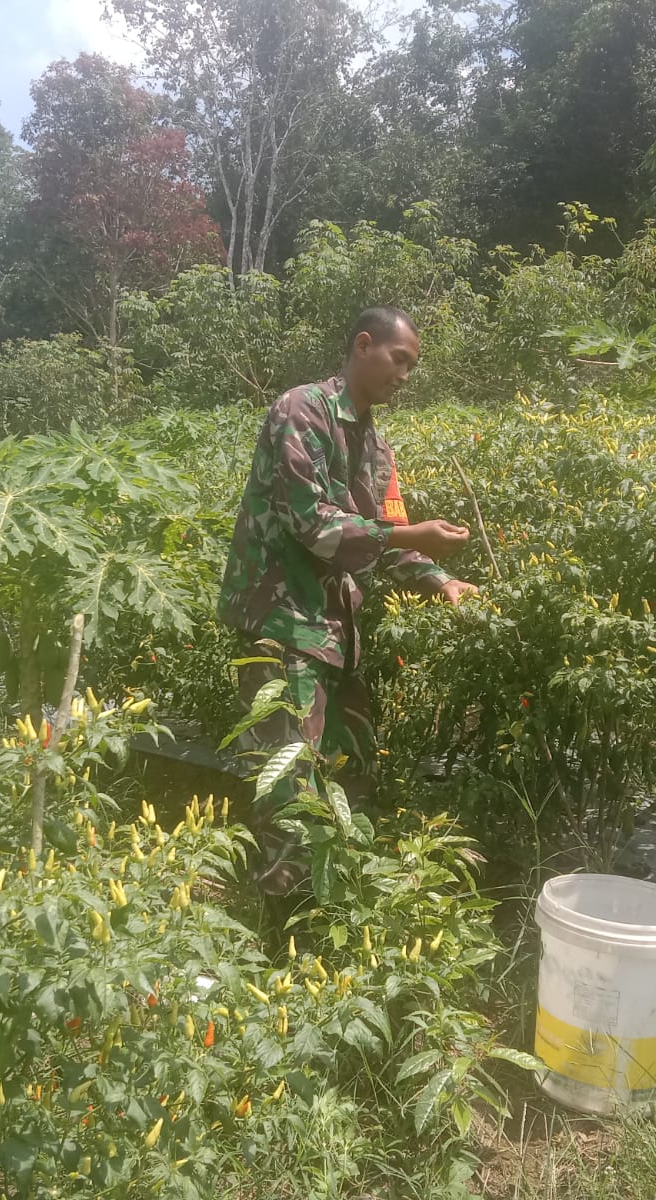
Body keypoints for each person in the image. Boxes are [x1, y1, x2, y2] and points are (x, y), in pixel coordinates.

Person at [218, 306, 477, 893]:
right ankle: (281, 928)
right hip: (282, 625)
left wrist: (441, 579)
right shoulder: (300, 410)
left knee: (351, 768)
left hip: (337, 633)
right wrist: (412, 535)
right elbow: (314, 525)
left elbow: (391, 534)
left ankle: (342, 908)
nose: (405, 376)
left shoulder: (377, 448)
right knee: (289, 782)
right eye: (398, 359)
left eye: (412, 366)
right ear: (364, 345)